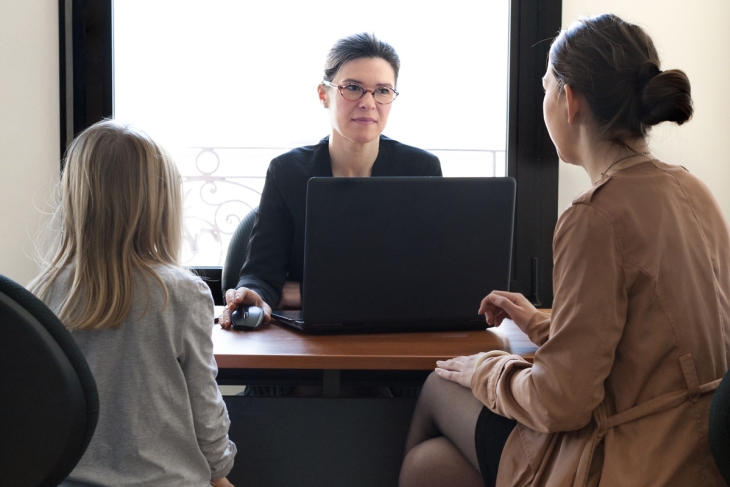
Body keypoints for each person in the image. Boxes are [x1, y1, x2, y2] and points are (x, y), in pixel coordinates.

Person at [399, 13, 729, 487]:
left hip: (630, 461)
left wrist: (487, 370)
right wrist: (538, 320)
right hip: (696, 454)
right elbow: (654, 332)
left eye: (546, 87)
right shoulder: (691, 189)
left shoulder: (595, 215)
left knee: (438, 384)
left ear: (569, 100)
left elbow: (562, 402)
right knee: (428, 466)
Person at [29, 120, 237, 487]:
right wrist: (220, 471)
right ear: (161, 204)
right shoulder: (183, 294)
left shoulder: (41, 294)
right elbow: (205, 409)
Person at [219, 32, 442, 328]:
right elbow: (262, 274)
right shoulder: (287, 172)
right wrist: (253, 294)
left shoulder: (420, 169)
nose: (368, 102)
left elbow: (426, 282)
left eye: (382, 91)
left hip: (395, 334)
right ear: (324, 94)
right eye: (353, 88)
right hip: (307, 341)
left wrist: (309, 292)